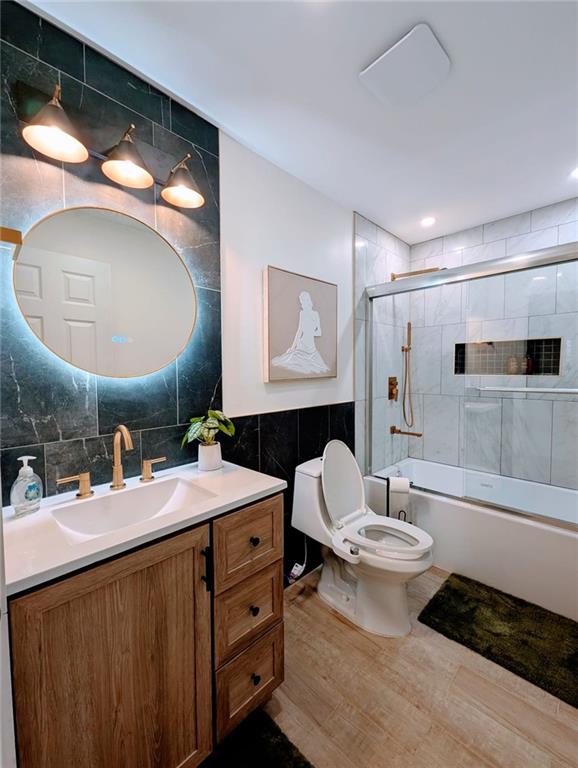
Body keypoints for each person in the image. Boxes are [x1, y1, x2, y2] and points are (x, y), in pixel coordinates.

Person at [272, 291, 330, 374]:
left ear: (308, 301)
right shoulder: (302, 313)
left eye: (303, 301)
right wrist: (292, 347)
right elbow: (299, 331)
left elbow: (319, 332)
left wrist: (310, 333)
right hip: (301, 346)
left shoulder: (315, 314)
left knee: (320, 369)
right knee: (289, 362)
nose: (302, 303)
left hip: (312, 348)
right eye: (301, 301)